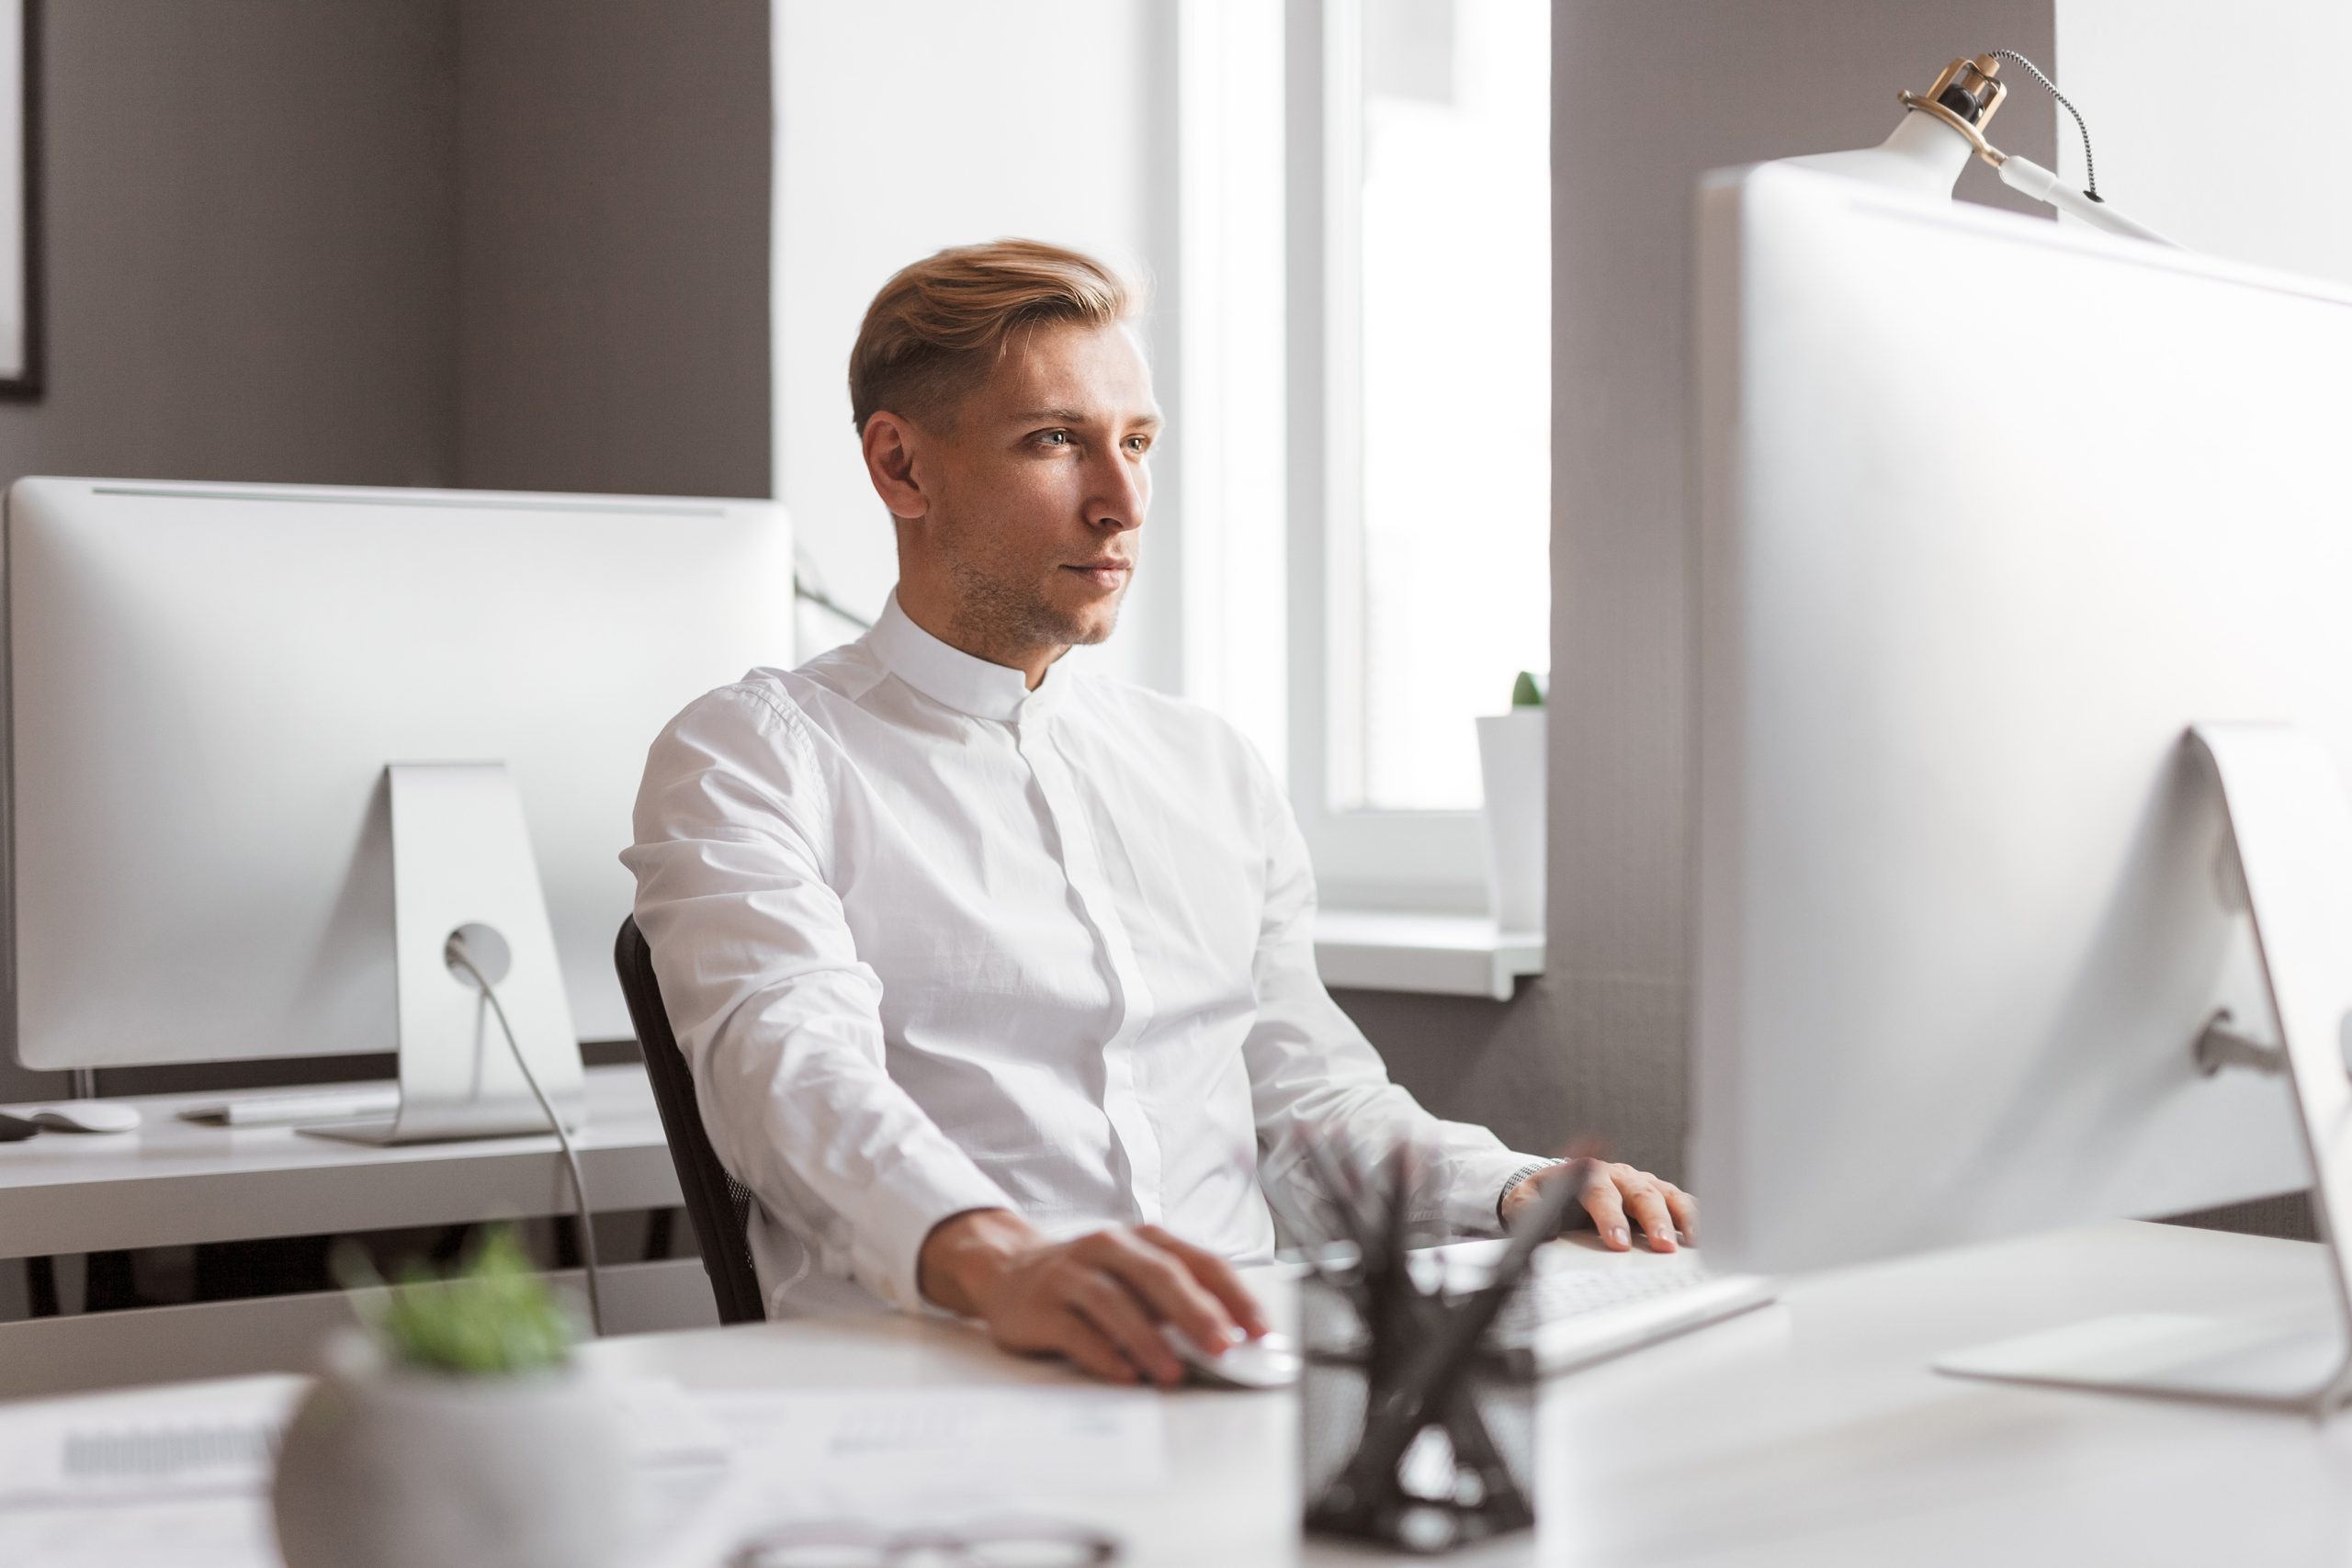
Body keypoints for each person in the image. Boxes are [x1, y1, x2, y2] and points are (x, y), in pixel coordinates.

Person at [625, 239, 1694, 1387]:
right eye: (1054, 441)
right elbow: (789, 1078)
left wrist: (1502, 1186)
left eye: (1136, 443)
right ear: (901, 468)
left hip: (1243, 1370)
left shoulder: (1209, 766)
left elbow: (1306, 1095)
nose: (1121, 501)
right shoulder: (751, 756)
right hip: (940, 1376)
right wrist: (1000, 1261)